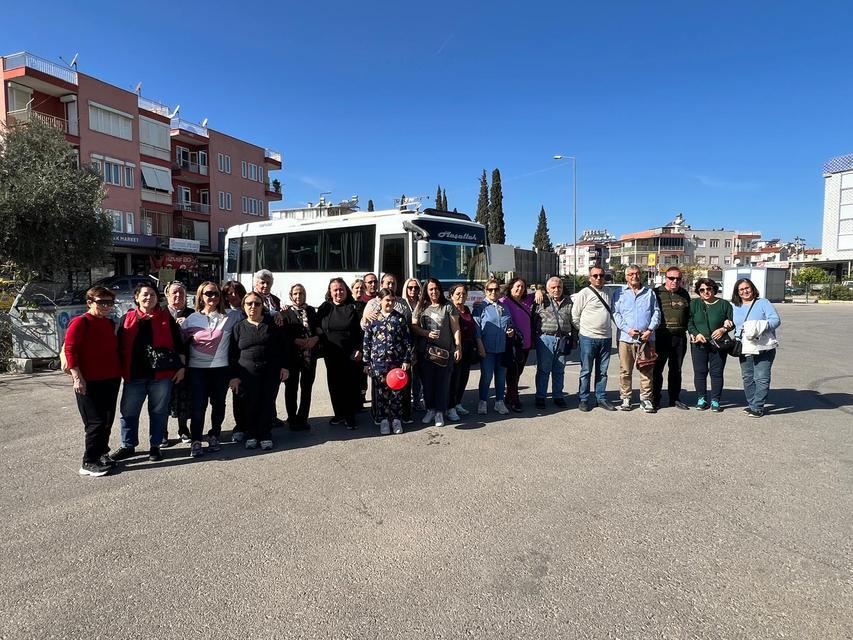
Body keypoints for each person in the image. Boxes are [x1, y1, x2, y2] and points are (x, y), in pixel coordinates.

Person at [111, 283, 185, 463]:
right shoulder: (126, 319)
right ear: (136, 297)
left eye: (152, 294)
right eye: (144, 294)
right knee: (128, 412)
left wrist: (182, 368)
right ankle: (128, 445)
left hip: (161, 376)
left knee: (158, 412)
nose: (148, 298)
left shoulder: (166, 318)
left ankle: (155, 446)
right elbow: (113, 344)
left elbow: (179, 345)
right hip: (134, 375)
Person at [65, 286, 122, 477]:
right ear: (90, 302)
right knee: (95, 423)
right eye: (101, 302)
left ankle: (101, 453)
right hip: (88, 381)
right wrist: (77, 378)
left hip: (111, 379)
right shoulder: (80, 322)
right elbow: (70, 350)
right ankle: (88, 461)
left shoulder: (108, 323)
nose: (106, 306)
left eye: (109, 302)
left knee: (106, 421)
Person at [183, 281, 240, 457]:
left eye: (216, 293)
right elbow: (179, 344)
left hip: (220, 369)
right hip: (197, 369)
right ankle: (196, 440)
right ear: (201, 296)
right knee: (199, 406)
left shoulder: (232, 316)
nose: (213, 297)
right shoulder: (191, 319)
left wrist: (277, 314)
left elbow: (256, 314)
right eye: (208, 293)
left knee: (218, 404)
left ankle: (215, 434)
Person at [228, 292, 290, 450]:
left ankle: (265, 434)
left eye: (257, 304)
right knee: (250, 404)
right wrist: (234, 376)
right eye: (249, 304)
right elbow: (232, 354)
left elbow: (283, 347)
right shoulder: (238, 327)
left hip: (271, 372)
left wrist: (284, 367)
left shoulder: (272, 324)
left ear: (263, 307)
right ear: (244, 306)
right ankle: (252, 434)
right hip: (247, 374)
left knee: (267, 403)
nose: (253, 307)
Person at [361, 273, 414, 423]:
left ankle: (396, 419)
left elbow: (407, 341)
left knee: (396, 392)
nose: (389, 303)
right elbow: (367, 341)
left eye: (392, 300)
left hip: (396, 362)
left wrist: (406, 359)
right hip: (378, 363)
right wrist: (366, 362)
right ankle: (382, 419)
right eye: (386, 300)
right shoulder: (374, 318)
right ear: (381, 301)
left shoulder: (399, 318)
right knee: (380, 393)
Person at [412, 278, 461, 427]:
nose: (433, 292)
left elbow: (456, 328)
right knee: (427, 383)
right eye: (430, 289)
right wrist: (426, 333)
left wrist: (458, 347)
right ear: (426, 291)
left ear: (440, 290)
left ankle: (440, 412)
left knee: (442, 383)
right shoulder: (421, 307)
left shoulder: (448, 306)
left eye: (436, 289)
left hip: (445, 353)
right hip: (426, 353)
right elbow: (414, 326)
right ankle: (430, 409)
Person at [317, 278, 365, 429]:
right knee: (334, 385)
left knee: (350, 386)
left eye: (341, 289)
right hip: (331, 353)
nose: (338, 292)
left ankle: (350, 417)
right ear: (330, 292)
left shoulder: (354, 307)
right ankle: (339, 414)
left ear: (346, 291)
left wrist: (360, 349)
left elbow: (362, 332)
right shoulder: (325, 307)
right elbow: (317, 325)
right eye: (335, 290)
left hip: (350, 354)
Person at [613, 265, 661, 413]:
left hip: (646, 339)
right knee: (625, 371)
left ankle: (645, 399)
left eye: (637, 273)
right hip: (626, 339)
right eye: (631, 274)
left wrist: (650, 329)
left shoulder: (649, 293)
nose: (634, 276)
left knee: (646, 370)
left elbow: (656, 313)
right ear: (626, 277)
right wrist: (627, 329)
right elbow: (616, 314)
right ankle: (626, 397)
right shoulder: (619, 293)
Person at [731, 278, 781, 417]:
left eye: (747, 288)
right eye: (741, 289)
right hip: (744, 346)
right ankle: (752, 403)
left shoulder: (763, 303)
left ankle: (758, 407)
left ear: (752, 288)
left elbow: (775, 320)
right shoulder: (735, 306)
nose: (745, 291)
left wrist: (759, 327)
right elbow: (730, 322)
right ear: (737, 292)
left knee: (761, 377)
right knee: (747, 377)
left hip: (763, 345)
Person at [571, 266, 617, 412]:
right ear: (589, 277)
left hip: (606, 338)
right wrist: (584, 331)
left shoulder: (609, 292)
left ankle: (601, 398)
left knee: (602, 371)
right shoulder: (584, 293)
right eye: (595, 275)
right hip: (588, 338)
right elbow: (575, 316)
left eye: (601, 275)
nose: (599, 278)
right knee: (586, 370)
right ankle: (583, 399)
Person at [688, 278, 734, 412]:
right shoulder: (694, 304)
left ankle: (715, 400)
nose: (706, 292)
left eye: (709, 289)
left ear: (714, 289)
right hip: (699, 344)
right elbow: (689, 322)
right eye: (702, 290)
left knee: (717, 373)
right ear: (698, 291)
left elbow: (731, 323)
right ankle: (701, 399)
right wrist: (696, 333)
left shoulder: (724, 304)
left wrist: (723, 329)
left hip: (718, 344)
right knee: (700, 372)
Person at [652, 267, 692, 411]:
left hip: (679, 338)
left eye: (678, 279)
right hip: (661, 337)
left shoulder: (684, 294)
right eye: (671, 278)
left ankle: (674, 398)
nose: (675, 281)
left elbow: (690, 315)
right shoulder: (656, 293)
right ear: (665, 278)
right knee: (657, 370)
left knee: (676, 370)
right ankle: (655, 399)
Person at [281, 283, 320, 430]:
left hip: (309, 356)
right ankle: (292, 418)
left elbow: (317, 328)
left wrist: (315, 339)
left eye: (301, 293)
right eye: (295, 293)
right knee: (291, 388)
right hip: (292, 356)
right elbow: (283, 334)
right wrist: (295, 341)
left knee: (306, 387)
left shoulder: (310, 310)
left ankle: (303, 417)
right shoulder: (285, 312)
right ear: (291, 295)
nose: (298, 296)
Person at [474, 278, 515, 415]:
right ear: (485, 291)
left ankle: (499, 402)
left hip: (502, 348)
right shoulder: (480, 307)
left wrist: (510, 331)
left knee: (501, 377)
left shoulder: (504, 307)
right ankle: (483, 401)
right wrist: (480, 347)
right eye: (490, 289)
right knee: (486, 376)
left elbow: (509, 324)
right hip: (487, 349)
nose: (493, 292)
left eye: (496, 289)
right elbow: (477, 329)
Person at [532, 277, 573, 409]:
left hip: (563, 340)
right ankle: (540, 397)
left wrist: (574, 340)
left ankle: (558, 396)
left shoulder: (569, 301)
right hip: (545, 339)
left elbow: (574, 321)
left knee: (559, 370)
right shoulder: (542, 300)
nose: (556, 290)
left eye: (559, 287)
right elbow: (524, 298)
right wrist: (538, 290)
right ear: (548, 289)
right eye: (553, 287)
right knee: (543, 370)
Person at [164, 281, 195, 445]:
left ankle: (183, 429)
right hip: (164, 363)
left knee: (185, 398)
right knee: (163, 399)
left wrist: (189, 326)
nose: (178, 296)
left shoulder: (193, 314)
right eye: (174, 293)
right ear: (167, 295)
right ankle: (162, 431)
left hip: (188, 363)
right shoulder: (161, 313)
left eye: (181, 293)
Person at [500, 277, 537, 412]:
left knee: (518, 372)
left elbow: (539, 294)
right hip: (512, 344)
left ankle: (509, 396)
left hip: (526, 343)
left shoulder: (527, 300)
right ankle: (514, 399)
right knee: (513, 372)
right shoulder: (504, 301)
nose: (520, 289)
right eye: (517, 286)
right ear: (510, 287)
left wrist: (539, 291)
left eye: (522, 286)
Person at [221, 280, 249, 440]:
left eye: (237, 292)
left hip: (245, 358)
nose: (234, 296)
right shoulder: (222, 312)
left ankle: (247, 425)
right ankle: (238, 426)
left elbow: (269, 313)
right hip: (226, 359)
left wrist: (279, 313)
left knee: (244, 394)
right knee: (234, 393)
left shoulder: (249, 309)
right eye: (229, 293)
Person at [447, 284, 476, 421]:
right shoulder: (449, 310)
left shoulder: (467, 309)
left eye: (464, 293)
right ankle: (450, 407)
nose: (461, 296)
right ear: (451, 295)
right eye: (458, 293)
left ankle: (458, 403)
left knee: (464, 378)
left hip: (468, 348)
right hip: (455, 348)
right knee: (454, 380)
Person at [401, 278, 424, 411]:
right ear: (406, 288)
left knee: (417, 375)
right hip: (404, 343)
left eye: (416, 287)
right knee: (405, 374)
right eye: (410, 287)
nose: (413, 290)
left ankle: (416, 400)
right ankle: (404, 402)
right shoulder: (401, 303)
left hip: (419, 342)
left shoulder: (422, 303)